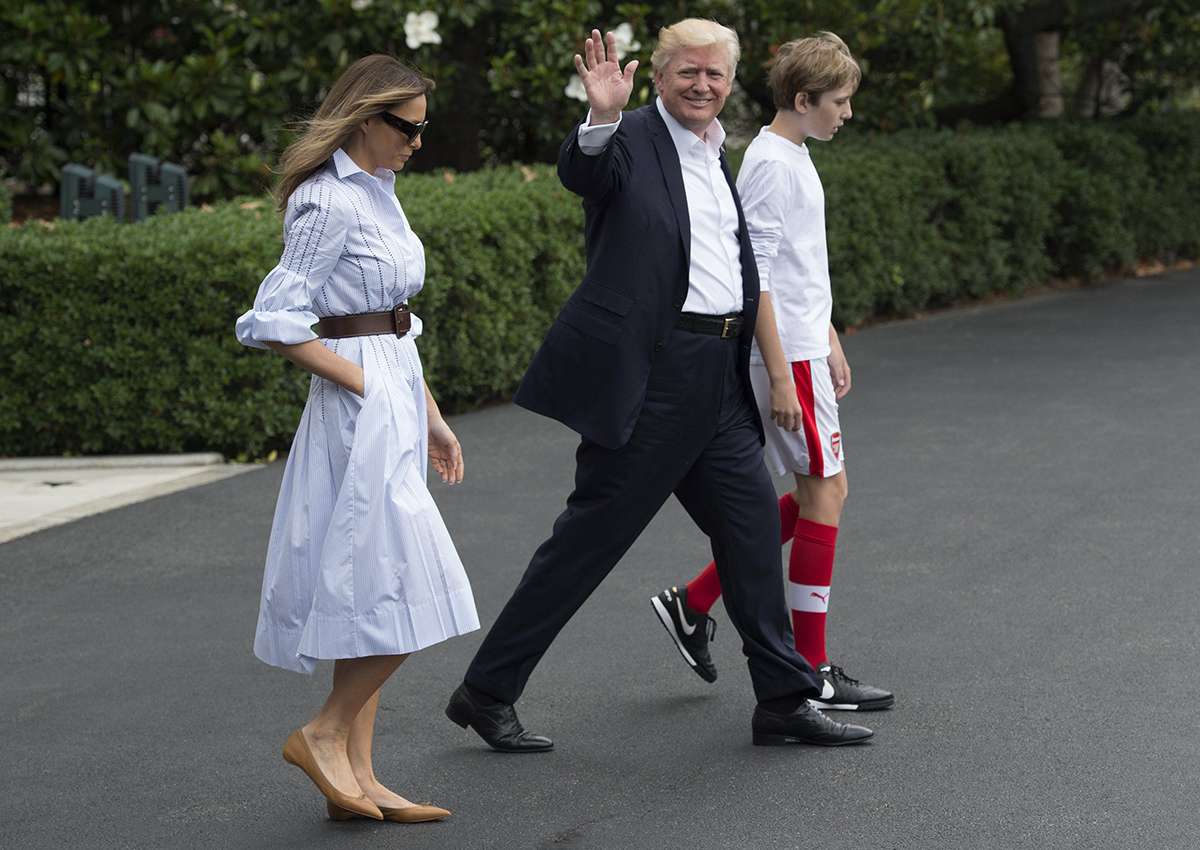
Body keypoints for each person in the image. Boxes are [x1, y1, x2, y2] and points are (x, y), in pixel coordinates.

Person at [444, 21, 873, 751]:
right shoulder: (629, 139)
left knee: (748, 537)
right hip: (654, 378)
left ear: (731, 82)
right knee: (589, 540)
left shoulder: (717, 151)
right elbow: (586, 174)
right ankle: (486, 691)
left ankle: (782, 698)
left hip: (720, 378)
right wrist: (602, 113)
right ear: (659, 76)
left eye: (715, 74)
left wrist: (779, 356)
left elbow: (740, 265)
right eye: (686, 73)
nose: (701, 85)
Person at [235, 54, 479, 823]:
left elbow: (393, 319)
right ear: (366, 119)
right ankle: (324, 732)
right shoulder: (325, 200)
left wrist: (428, 411)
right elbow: (274, 321)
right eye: (407, 127)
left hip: (393, 393)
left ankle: (359, 779)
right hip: (358, 408)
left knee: (373, 589)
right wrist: (372, 389)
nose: (417, 141)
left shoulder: (381, 191)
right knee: (412, 581)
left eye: (422, 127)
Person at [650, 33, 894, 713]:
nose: (847, 112)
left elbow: (795, 272)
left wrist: (831, 335)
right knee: (826, 496)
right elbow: (752, 277)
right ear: (803, 98)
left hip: (804, 348)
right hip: (785, 358)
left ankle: (694, 603)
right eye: (840, 102)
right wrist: (785, 374)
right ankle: (810, 667)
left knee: (821, 492)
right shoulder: (773, 165)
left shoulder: (790, 154)